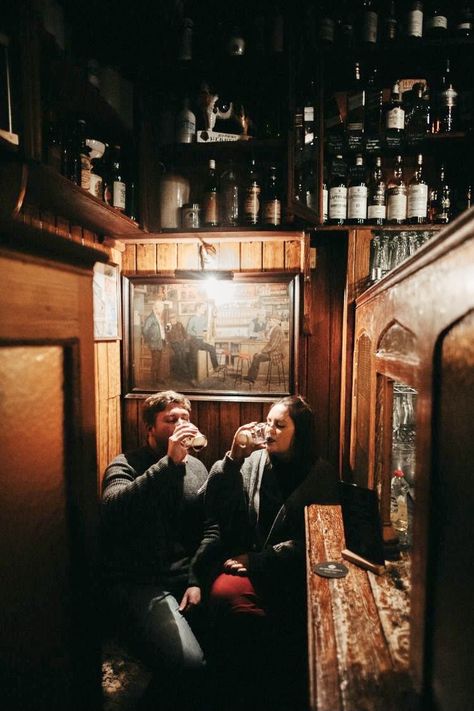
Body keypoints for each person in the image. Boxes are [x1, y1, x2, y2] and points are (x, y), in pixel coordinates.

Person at [198, 395, 339, 711]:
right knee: (227, 604)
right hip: (245, 562)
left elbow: (320, 540)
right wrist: (233, 459)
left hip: (294, 575)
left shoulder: (320, 475)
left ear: (299, 432)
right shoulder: (254, 462)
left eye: (280, 424)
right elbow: (213, 503)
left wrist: (262, 561)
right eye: (268, 423)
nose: (270, 430)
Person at [101, 391, 217, 711]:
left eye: (185, 418)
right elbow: (113, 510)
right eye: (170, 419)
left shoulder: (196, 467)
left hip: (185, 578)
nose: (181, 424)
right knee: (190, 664)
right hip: (139, 582)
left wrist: (196, 578)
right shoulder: (125, 464)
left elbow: (209, 525)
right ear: (150, 428)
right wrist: (168, 463)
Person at [244, 314, 284, 383]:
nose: (269, 322)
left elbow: (272, 346)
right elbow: (268, 336)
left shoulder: (278, 330)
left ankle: (251, 378)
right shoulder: (274, 328)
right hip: (272, 352)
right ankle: (251, 377)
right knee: (256, 355)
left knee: (257, 356)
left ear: (275, 321)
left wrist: (262, 351)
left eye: (270, 320)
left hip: (275, 354)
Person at [186, 302, 219, 378]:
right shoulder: (192, 319)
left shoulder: (203, 318)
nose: (204, 310)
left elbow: (206, 327)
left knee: (212, 348)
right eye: (203, 308)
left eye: (205, 308)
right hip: (193, 342)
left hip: (201, 341)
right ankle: (192, 379)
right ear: (198, 308)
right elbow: (188, 331)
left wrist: (206, 332)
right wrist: (197, 334)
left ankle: (216, 367)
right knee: (193, 360)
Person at [142, 300, 166, 385]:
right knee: (155, 362)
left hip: (160, 342)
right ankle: (152, 381)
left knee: (159, 361)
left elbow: (159, 330)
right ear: (156, 308)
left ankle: (158, 378)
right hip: (154, 343)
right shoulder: (151, 318)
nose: (162, 310)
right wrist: (150, 340)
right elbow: (145, 330)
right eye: (161, 308)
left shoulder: (158, 317)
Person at [167, 312, 191, 381]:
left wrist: (186, 340)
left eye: (173, 317)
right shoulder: (168, 325)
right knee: (180, 357)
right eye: (171, 318)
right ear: (169, 319)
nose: (173, 319)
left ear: (176, 317)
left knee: (183, 357)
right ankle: (184, 375)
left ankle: (182, 375)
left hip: (181, 342)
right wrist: (169, 342)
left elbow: (185, 333)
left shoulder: (180, 324)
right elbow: (167, 336)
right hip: (174, 344)